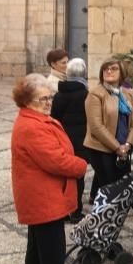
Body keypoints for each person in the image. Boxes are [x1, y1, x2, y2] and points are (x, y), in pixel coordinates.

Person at [11, 74, 87, 264]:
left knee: (37, 249)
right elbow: (54, 160)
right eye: (42, 98)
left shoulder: (33, 120)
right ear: (27, 100)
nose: (48, 102)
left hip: (40, 195)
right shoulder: (33, 126)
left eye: (49, 97)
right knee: (52, 251)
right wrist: (80, 165)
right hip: (44, 197)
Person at [84, 58, 133, 202]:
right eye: (105, 69)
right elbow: (96, 126)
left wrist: (127, 145)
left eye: (113, 68)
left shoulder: (126, 94)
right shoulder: (96, 94)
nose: (109, 71)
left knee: (121, 188)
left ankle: (113, 218)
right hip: (101, 149)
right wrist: (117, 147)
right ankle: (105, 220)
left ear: (122, 73)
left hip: (123, 148)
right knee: (110, 190)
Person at [50, 58, 90, 222]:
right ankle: (75, 210)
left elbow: (54, 118)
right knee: (78, 176)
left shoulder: (60, 94)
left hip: (63, 140)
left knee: (64, 176)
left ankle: (63, 209)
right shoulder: (86, 94)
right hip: (81, 141)